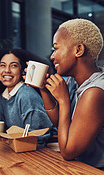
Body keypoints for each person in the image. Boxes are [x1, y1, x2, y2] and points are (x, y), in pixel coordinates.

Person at [39, 18, 104, 169]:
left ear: (78, 50)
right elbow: (61, 124)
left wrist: (63, 101)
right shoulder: (74, 82)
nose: (52, 56)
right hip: (81, 167)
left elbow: (68, 151)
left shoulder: (95, 92)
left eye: (56, 48)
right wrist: (43, 89)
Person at [0, 48, 54, 145]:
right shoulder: (5, 97)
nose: (7, 70)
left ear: (22, 71)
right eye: (3, 65)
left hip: (41, 151)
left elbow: (39, 138)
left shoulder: (26, 95)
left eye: (13, 66)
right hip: (20, 148)